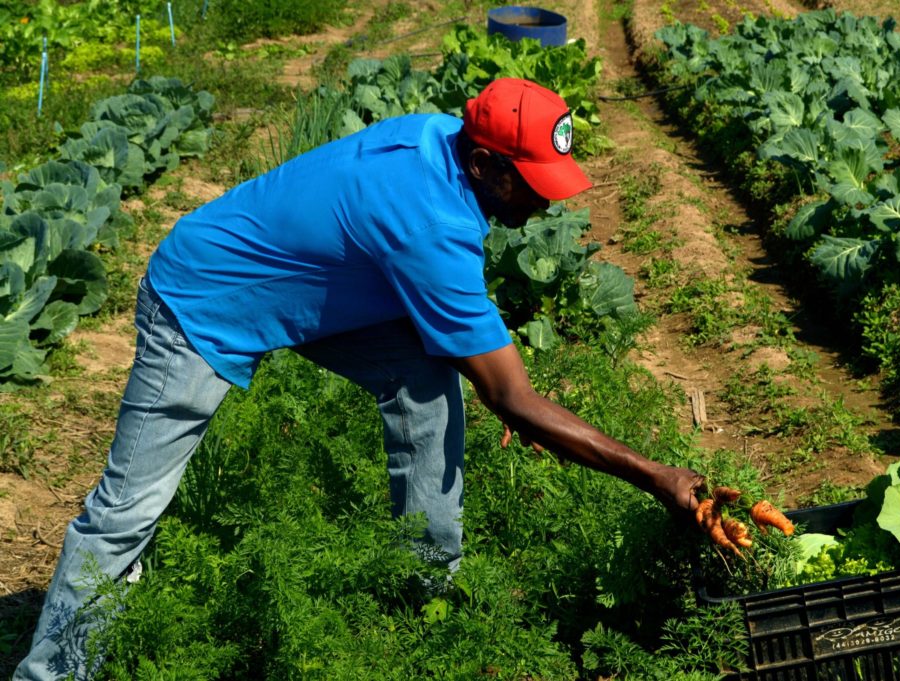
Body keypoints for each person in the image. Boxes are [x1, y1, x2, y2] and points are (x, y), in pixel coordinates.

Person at [14, 78, 706, 680]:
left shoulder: (439, 137)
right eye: (531, 183)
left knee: (425, 373)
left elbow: (496, 377)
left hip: (318, 290)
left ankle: (426, 591)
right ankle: (54, 670)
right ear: (487, 163)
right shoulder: (429, 222)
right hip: (200, 300)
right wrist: (656, 475)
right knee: (125, 510)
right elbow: (512, 395)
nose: (546, 202)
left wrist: (513, 397)